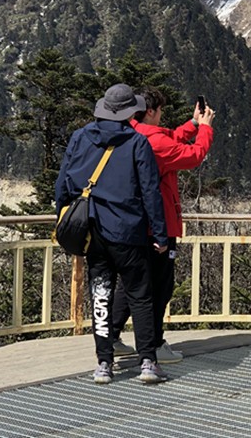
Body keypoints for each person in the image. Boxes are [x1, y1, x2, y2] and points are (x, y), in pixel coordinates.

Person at [55, 83, 170, 384]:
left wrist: (63, 218)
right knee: (140, 296)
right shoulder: (137, 142)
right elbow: (150, 192)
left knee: (101, 295)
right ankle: (148, 362)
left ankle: (104, 364)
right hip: (128, 232)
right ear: (131, 113)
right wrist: (160, 234)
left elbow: (62, 184)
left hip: (92, 231)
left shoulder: (80, 137)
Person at [112, 87, 215, 363]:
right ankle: (155, 344)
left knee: (130, 284)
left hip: (130, 224)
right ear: (150, 111)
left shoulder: (132, 132)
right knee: (160, 287)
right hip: (159, 226)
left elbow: (170, 137)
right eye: (159, 111)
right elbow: (193, 155)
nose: (161, 116)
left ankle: (110, 337)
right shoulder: (154, 142)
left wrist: (193, 123)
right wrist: (205, 128)